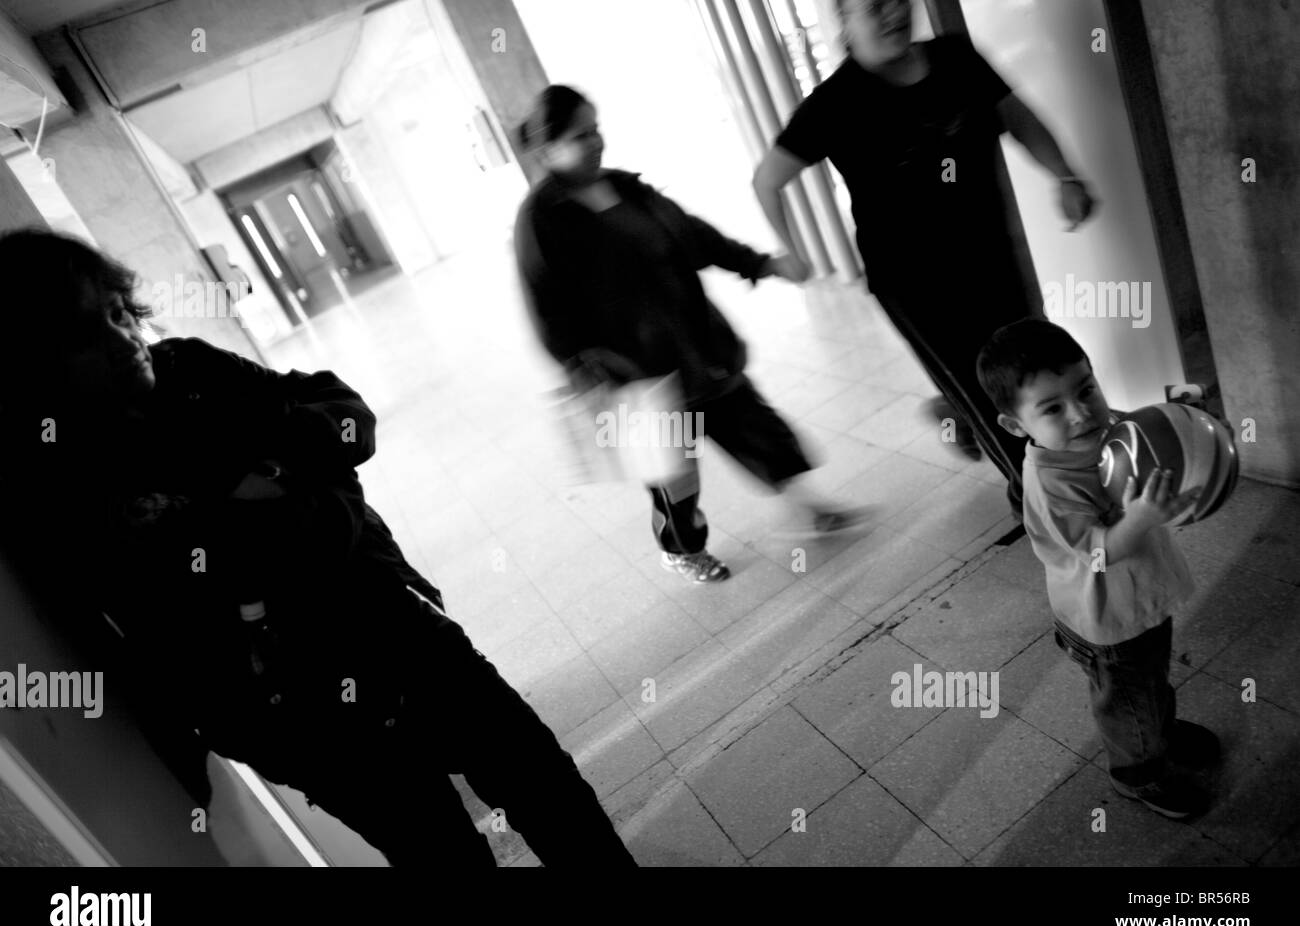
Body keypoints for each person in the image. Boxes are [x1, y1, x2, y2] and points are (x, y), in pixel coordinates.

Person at [0, 227, 636, 868]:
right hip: (298, 717)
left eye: (118, 312)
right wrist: (273, 495)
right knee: (440, 852)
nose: (122, 342)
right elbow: (165, 619)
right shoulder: (58, 488)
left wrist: (282, 471)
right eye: (85, 338)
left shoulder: (187, 370)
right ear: (33, 367)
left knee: (544, 785)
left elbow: (345, 415)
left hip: (392, 626)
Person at [753, 0, 1098, 518]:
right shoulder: (834, 103)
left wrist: (1064, 175)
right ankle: (1041, 506)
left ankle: (956, 412)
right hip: (913, 283)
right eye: (873, 6)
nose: (892, 14)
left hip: (991, 254)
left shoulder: (956, 58)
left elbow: (1015, 116)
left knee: (1033, 369)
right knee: (987, 390)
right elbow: (767, 181)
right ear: (844, 20)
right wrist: (793, 253)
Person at [514, 85, 865, 585]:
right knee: (676, 476)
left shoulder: (626, 188)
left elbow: (691, 235)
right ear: (547, 151)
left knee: (754, 426)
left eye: (596, 129)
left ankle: (806, 507)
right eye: (580, 135)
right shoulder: (541, 221)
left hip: (698, 347)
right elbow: (546, 312)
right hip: (641, 376)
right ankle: (681, 547)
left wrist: (759, 262)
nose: (596, 142)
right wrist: (589, 372)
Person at [975, 318, 1219, 819]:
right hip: (1107, 625)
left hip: (1137, 603)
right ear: (1016, 425)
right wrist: (1142, 518)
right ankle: (1140, 775)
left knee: (1149, 683)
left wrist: (1180, 423)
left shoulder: (1101, 432)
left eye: (1086, 389)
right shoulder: (1051, 484)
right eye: (1052, 408)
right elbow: (1098, 553)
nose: (1081, 412)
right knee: (1128, 704)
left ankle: (1162, 732)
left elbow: (1144, 430)